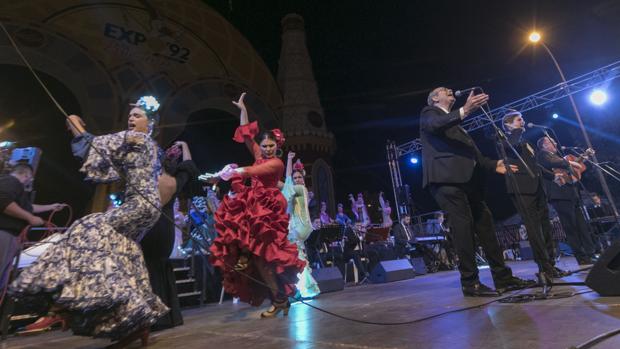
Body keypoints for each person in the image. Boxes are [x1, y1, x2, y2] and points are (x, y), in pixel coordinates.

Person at [9, 97, 168, 346]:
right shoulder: (150, 147)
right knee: (124, 253)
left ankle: (60, 303)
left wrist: (74, 123)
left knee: (87, 227)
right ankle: (137, 321)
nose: (131, 118)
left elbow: (94, 146)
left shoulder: (136, 138)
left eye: (138, 116)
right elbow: (113, 168)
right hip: (147, 208)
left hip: (138, 205)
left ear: (150, 124)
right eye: (131, 115)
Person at [420, 86, 533, 297]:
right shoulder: (429, 113)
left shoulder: (457, 125)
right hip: (446, 180)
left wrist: (493, 165)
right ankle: (470, 282)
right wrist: (466, 109)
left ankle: (503, 278)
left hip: (469, 181)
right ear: (435, 98)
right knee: (463, 228)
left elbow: (474, 155)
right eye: (444, 90)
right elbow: (435, 125)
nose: (450, 90)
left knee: (486, 226)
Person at [207, 92, 304, 317]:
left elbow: (253, 171)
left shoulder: (276, 164)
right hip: (253, 202)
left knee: (267, 258)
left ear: (276, 146)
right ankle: (277, 297)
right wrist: (243, 111)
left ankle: (279, 297)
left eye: (271, 145)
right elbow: (247, 136)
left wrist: (231, 172)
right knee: (259, 259)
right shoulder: (259, 154)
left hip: (268, 208)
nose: (267, 148)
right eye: (265, 145)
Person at [140, 140, 199, 330]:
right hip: (166, 230)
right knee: (163, 267)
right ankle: (171, 316)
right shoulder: (174, 181)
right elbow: (190, 167)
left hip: (150, 227)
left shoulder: (149, 180)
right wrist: (184, 145)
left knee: (149, 269)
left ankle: (154, 318)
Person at [501, 111, 566, 281]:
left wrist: (553, 176)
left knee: (545, 226)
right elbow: (510, 147)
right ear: (508, 124)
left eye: (522, 118)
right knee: (533, 228)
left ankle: (551, 264)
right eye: (518, 119)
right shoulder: (503, 138)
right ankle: (543, 267)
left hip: (537, 188)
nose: (522, 121)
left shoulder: (525, 141)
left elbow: (535, 165)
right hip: (522, 189)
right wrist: (516, 130)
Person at [0, 164, 65, 290]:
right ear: (27, 175)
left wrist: (51, 207)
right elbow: (3, 201)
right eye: (30, 178)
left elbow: (29, 207)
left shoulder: (14, 187)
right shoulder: (11, 181)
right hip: (3, 233)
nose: (30, 181)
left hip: (9, 236)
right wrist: (29, 218)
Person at [536, 136, 597, 265]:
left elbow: (575, 167)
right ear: (544, 146)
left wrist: (584, 157)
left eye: (553, 140)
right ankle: (581, 256)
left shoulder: (560, 157)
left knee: (582, 225)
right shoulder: (543, 155)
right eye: (550, 141)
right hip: (559, 195)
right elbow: (556, 163)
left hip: (572, 193)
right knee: (571, 227)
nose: (554, 143)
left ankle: (591, 252)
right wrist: (572, 162)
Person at [281, 152, 320, 299]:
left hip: (300, 227)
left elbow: (285, 183)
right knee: (297, 256)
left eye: (299, 178)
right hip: (296, 227)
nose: (297, 179)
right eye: (295, 178)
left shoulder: (301, 190)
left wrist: (289, 160)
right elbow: (287, 182)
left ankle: (301, 288)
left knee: (294, 255)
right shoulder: (294, 191)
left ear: (304, 180)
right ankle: (305, 288)